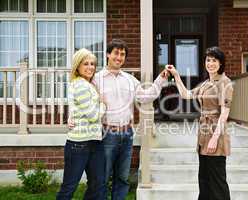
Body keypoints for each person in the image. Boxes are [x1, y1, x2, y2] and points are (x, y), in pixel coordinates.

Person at [69, 39, 169, 200]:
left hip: (127, 134)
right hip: (106, 134)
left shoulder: (129, 79)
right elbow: (78, 97)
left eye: (122, 54)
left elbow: (146, 96)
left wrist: (161, 79)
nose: (119, 57)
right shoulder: (96, 79)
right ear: (108, 54)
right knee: (101, 179)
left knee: (122, 179)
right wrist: (71, 115)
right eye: (116, 53)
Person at [166, 46, 233, 200]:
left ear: (221, 63)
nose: (210, 63)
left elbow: (224, 114)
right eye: (208, 60)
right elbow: (186, 94)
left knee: (217, 180)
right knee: (204, 179)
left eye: (214, 60)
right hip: (203, 134)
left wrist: (214, 139)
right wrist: (176, 75)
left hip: (216, 134)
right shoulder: (205, 83)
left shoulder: (225, 83)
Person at [57, 48, 106, 200]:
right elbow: (93, 115)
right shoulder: (80, 85)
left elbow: (75, 109)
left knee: (97, 183)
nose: (90, 67)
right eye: (86, 64)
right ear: (77, 66)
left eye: (92, 64)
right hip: (79, 144)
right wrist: (103, 105)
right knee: (69, 186)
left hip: (94, 142)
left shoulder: (87, 84)